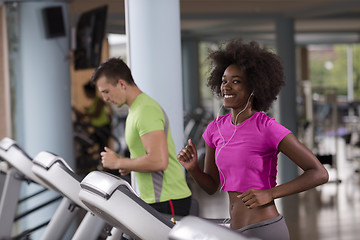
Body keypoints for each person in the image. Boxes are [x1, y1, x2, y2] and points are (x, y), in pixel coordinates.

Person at [177, 38, 329, 240]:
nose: (227, 86)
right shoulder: (214, 129)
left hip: (264, 228)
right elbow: (211, 186)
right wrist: (193, 168)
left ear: (254, 87)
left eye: (236, 81)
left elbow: (319, 173)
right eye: (224, 81)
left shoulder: (267, 128)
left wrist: (270, 193)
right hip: (235, 229)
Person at [90, 57, 192, 216]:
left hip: (167, 199)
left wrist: (118, 162)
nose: (105, 99)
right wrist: (127, 164)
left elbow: (159, 161)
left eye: (106, 91)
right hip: (155, 199)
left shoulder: (145, 110)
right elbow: (147, 157)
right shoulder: (135, 110)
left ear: (121, 84)